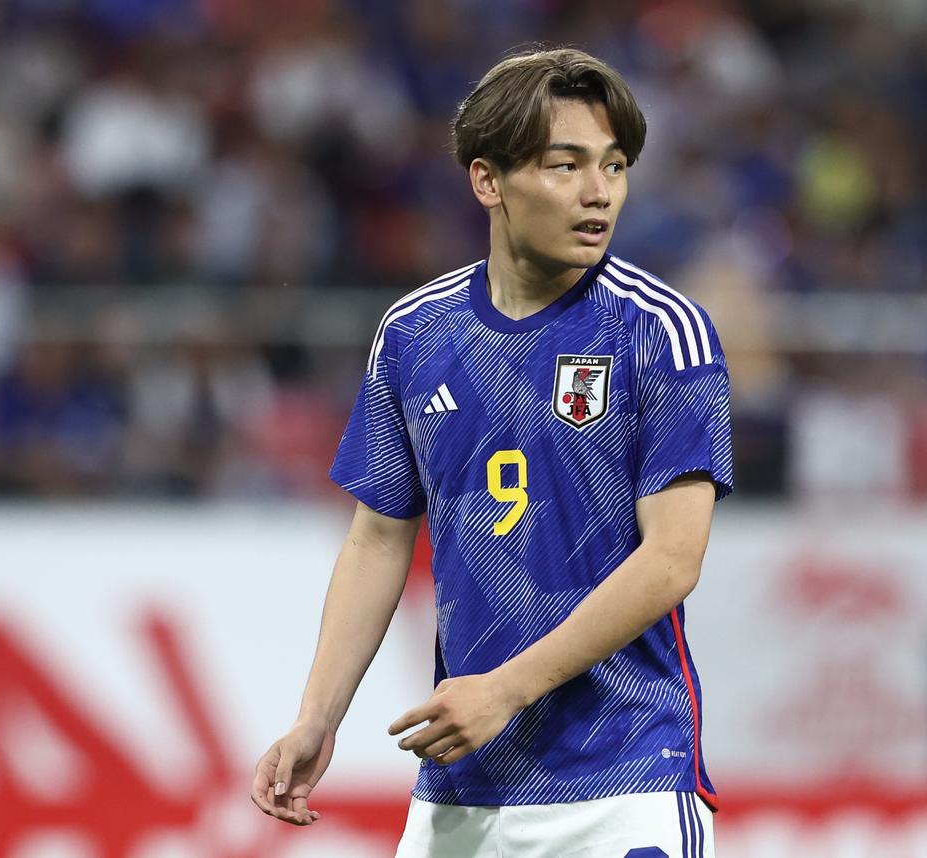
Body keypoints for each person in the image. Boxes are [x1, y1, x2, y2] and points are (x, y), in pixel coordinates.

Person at [251, 46, 733, 857]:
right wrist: (317, 718)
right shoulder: (414, 335)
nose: (598, 192)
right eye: (565, 165)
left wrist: (505, 691)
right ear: (488, 181)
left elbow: (672, 561)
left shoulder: (661, 331)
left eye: (614, 166)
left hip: (626, 779)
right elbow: (377, 539)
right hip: (462, 787)